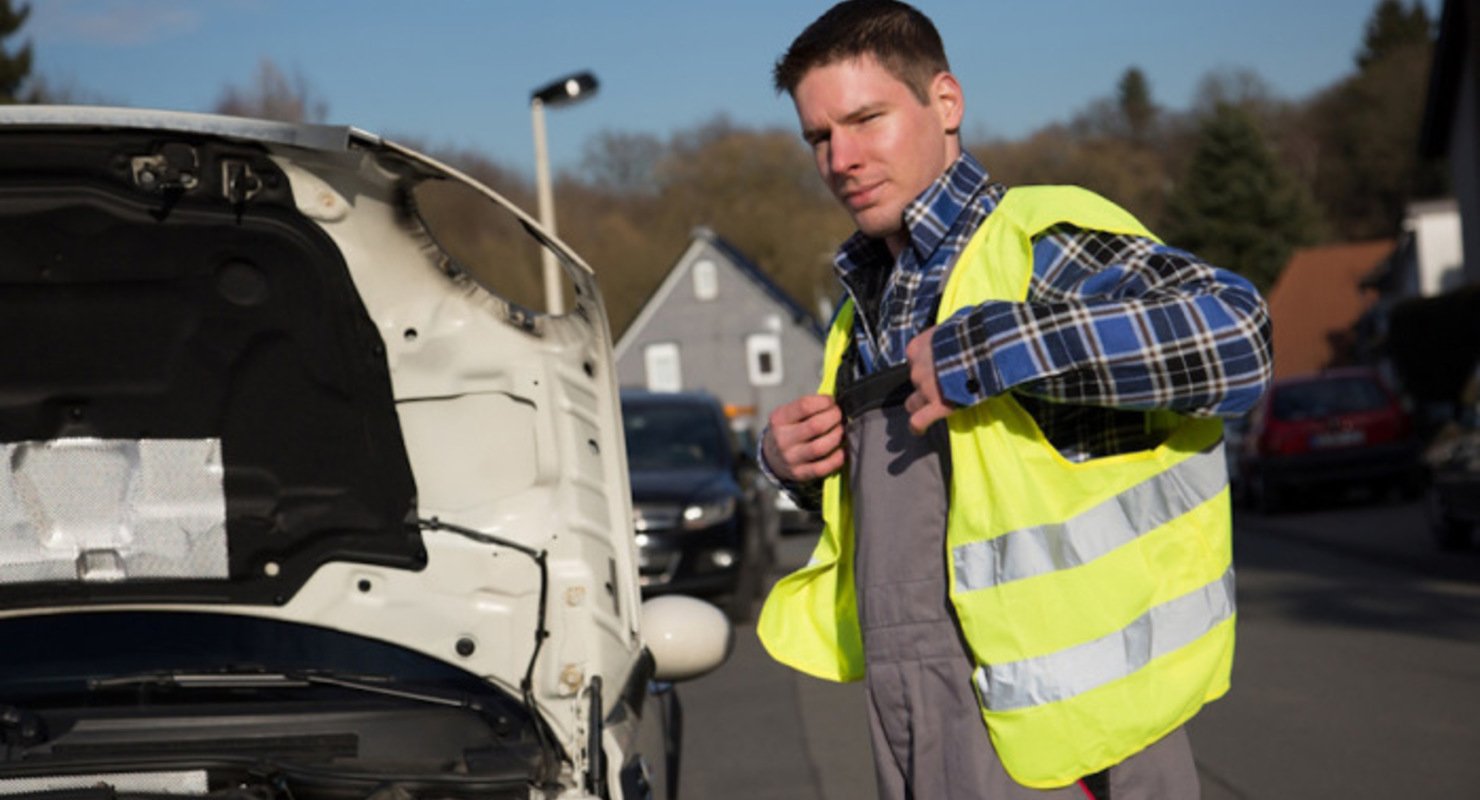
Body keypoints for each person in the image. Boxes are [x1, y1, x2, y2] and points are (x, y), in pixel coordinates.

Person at [754, 2, 1273, 798]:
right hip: (918, 728)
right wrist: (798, 466)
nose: (843, 158)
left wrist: (998, 346)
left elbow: (1236, 337)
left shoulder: (1037, 244)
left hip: (1074, 748)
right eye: (820, 138)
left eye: (867, 119)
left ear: (946, 104)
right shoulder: (859, 310)